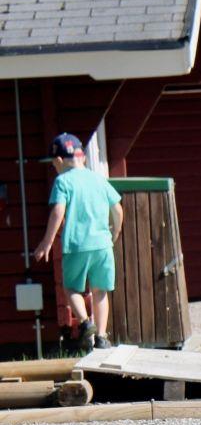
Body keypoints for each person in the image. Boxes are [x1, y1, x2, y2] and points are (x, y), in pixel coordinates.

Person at [33, 132, 124, 351]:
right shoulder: (98, 179)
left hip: (76, 245)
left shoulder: (62, 181)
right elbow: (118, 209)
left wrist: (47, 241)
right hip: (102, 244)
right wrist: (115, 232)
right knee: (101, 290)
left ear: (58, 161)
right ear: (82, 157)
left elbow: (58, 211)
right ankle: (102, 337)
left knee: (71, 288)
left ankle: (85, 323)